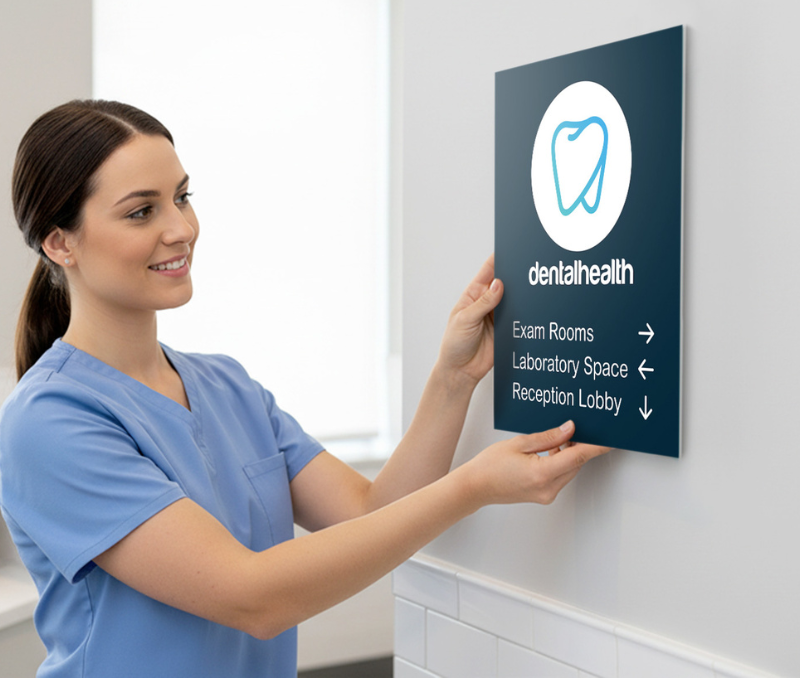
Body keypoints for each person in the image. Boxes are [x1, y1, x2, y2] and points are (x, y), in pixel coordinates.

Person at [0, 99, 608, 678]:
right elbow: (251, 597)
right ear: (60, 242)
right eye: (142, 211)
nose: (181, 228)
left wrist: (455, 378)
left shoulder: (226, 385)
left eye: (182, 197)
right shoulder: (49, 421)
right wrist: (473, 486)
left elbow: (371, 514)